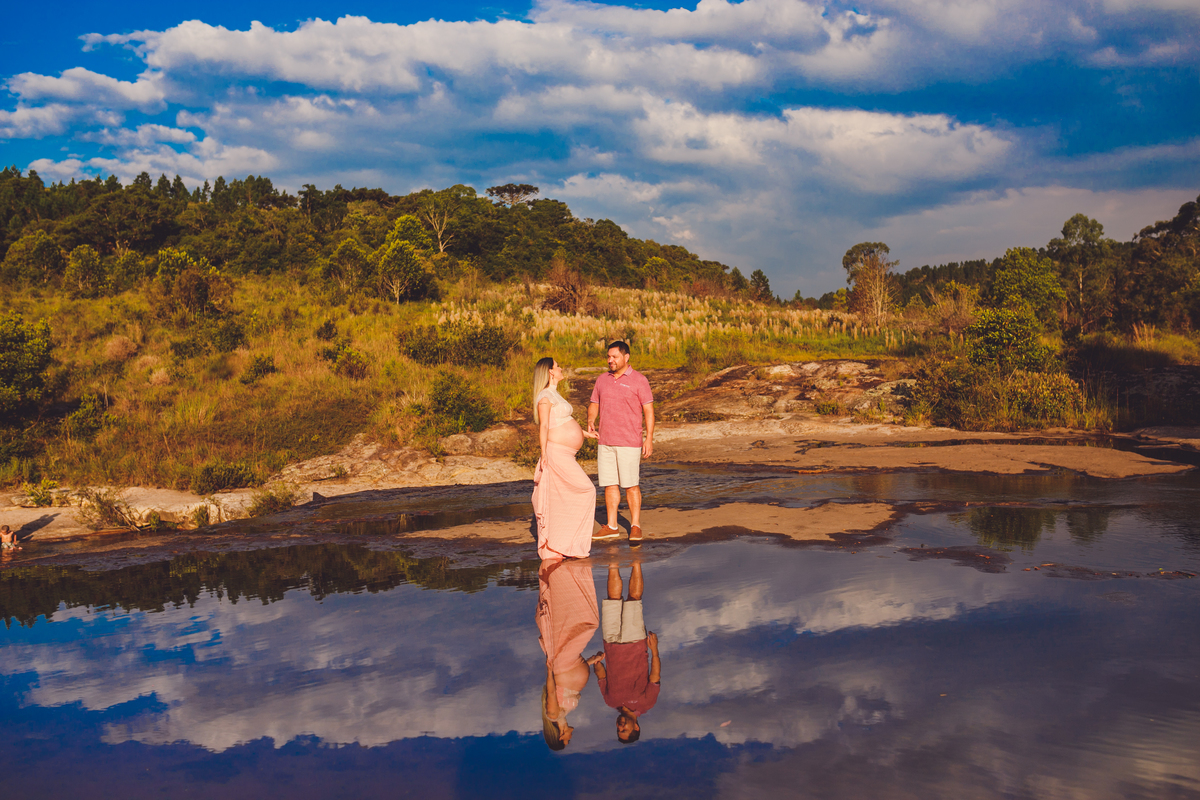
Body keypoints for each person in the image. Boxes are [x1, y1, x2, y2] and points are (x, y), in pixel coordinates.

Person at [531, 356, 599, 560]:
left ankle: (564, 543)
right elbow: (544, 426)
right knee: (587, 490)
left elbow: (560, 421)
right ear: (551, 372)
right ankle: (560, 544)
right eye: (557, 366)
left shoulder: (555, 394)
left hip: (566, 453)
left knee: (563, 496)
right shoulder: (545, 396)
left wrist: (584, 433)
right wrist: (543, 453)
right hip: (556, 453)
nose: (561, 368)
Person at [587, 341, 654, 543]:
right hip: (605, 441)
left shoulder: (640, 380)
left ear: (626, 357)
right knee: (609, 484)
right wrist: (591, 420)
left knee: (631, 485)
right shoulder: (602, 380)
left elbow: (648, 410)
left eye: (614, 356)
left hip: (629, 441)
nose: (610, 360)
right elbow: (593, 403)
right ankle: (612, 526)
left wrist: (648, 438)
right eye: (608, 356)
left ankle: (635, 526)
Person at [590, 560, 661, 744]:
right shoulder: (647, 704)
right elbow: (654, 677)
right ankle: (637, 562)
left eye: (618, 730)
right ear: (635, 727)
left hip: (610, 642)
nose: (620, 726)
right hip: (635, 643)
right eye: (624, 729)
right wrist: (654, 651)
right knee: (633, 598)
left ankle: (612, 560)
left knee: (613, 598)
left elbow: (602, 677)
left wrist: (597, 663)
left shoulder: (610, 701)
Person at [537, 558, 602, 751]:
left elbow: (552, 691)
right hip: (571, 663)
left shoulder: (553, 715)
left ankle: (565, 575)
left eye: (567, 740)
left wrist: (549, 672)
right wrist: (590, 662)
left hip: (562, 665)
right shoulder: (563, 715)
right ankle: (567, 576)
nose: (570, 737)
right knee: (578, 625)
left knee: (587, 624)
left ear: (560, 736)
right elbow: (569, 687)